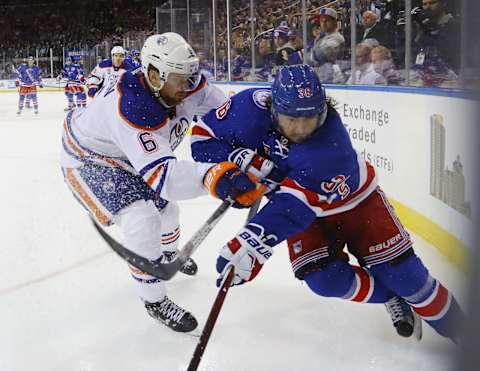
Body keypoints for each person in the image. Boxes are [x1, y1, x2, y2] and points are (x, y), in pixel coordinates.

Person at [190, 64, 463, 343]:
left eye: (309, 120)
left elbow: (292, 209)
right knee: (325, 280)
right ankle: (393, 295)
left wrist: (252, 241)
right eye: (291, 119)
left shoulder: (330, 147)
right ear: (273, 108)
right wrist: (235, 165)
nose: (300, 128)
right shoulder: (249, 107)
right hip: (301, 207)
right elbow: (201, 139)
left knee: (408, 279)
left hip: (356, 203)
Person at [60, 32, 255, 333]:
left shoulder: (184, 86)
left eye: (191, 77)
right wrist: (215, 176)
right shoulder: (132, 106)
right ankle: (153, 299)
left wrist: (258, 144)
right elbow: (164, 177)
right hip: (89, 158)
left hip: (128, 155)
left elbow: (229, 116)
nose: (189, 86)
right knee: (143, 219)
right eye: (181, 79)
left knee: (169, 213)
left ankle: (166, 255)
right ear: (154, 75)